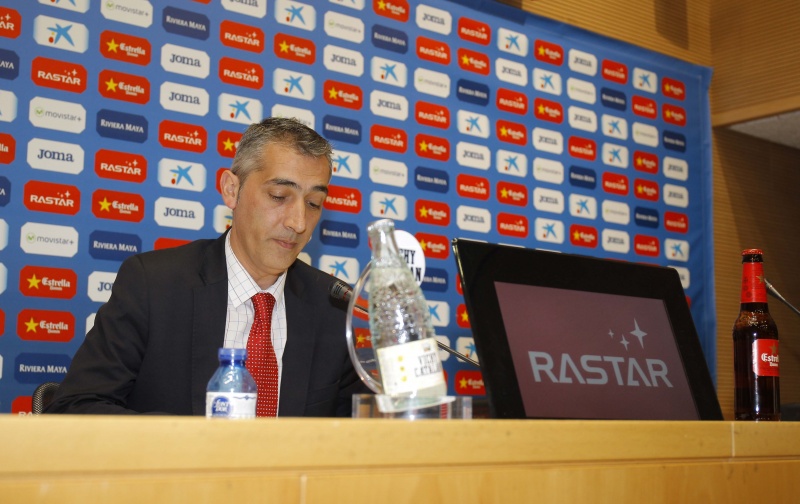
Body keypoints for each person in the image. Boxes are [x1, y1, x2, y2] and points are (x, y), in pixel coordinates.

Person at [45, 117, 368, 416]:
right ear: (232, 190)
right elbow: (75, 407)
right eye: (279, 195)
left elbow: (365, 431)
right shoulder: (152, 285)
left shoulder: (333, 308)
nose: (298, 222)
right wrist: (188, 444)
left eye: (313, 204)